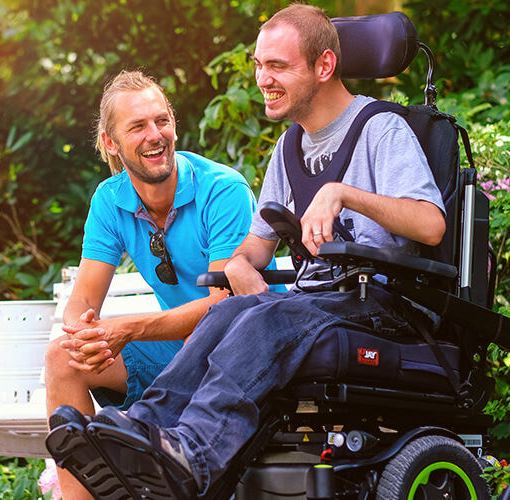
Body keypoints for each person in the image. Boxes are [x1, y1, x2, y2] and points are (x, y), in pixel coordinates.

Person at [45, 4, 447, 498]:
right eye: (259, 65)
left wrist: (343, 193)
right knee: (229, 312)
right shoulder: (289, 148)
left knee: (263, 317)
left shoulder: (382, 129)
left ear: (323, 67)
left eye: (276, 66)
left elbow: (430, 224)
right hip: (318, 304)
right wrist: (238, 266)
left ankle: (193, 453)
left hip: (382, 306)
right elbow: (255, 247)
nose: (263, 79)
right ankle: (139, 439)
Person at [44, 69, 274, 500]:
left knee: (205, 331)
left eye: (162, 120)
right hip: (175, 347)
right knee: (63, 357)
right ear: (111, 143)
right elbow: (81, 301)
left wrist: (128, 329)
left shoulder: (222, 189)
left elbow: (224, 306)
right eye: (138, 126)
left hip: (238, 347)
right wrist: (86, 335)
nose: (156, 135)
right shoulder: (110, 200)